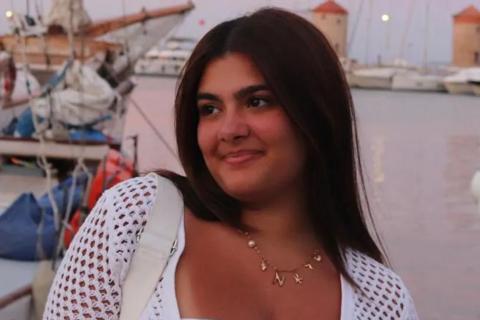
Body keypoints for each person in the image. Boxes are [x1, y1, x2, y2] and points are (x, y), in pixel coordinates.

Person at [43, 8, 418, 320]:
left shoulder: (382, 299)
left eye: (257, 102)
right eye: (209, 109)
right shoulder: (136, 220)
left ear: (317, 113)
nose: (229, 130)